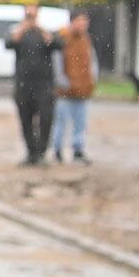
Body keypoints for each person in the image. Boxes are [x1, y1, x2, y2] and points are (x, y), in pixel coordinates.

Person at [4, 4, 62, 166]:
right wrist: (24, 27)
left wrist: (39, 28)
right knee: (25, 120)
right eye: (28, 13)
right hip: (23, 84)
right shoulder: (18, 31)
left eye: (33, 13)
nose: (31, 17)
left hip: (44, 85)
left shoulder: (46, 31)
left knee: (45, 119)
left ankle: (42, 152)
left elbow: (58, 44)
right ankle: (31, 153)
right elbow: (9, 43)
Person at [52, 9, 98, 164]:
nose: (83, 25)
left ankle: (78, 150)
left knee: (80, 123)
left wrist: (92, 79)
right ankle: (57, 150)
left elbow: (91, 61)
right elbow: (57, 62)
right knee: (60, 122)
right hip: (65, 90)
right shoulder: (62, 38)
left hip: (83, 89)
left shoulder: (86, 40)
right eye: (80, 21)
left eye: (85, 22)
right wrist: (62, 81)